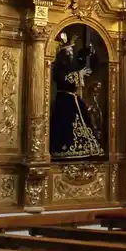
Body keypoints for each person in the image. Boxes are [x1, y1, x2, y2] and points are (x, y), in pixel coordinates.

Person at [50, 32, 104, 160]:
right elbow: (63, 79)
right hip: (64, 100)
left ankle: (86, 148)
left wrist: (89, 52)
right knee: (66, 125)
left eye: (71, 53)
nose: (70, 55)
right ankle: (64, 149)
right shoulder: (57, 68)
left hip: (73, 99)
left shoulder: (71, 66)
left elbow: (85, 64)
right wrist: (79, 74)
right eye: (68, 53)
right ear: (62, 55)